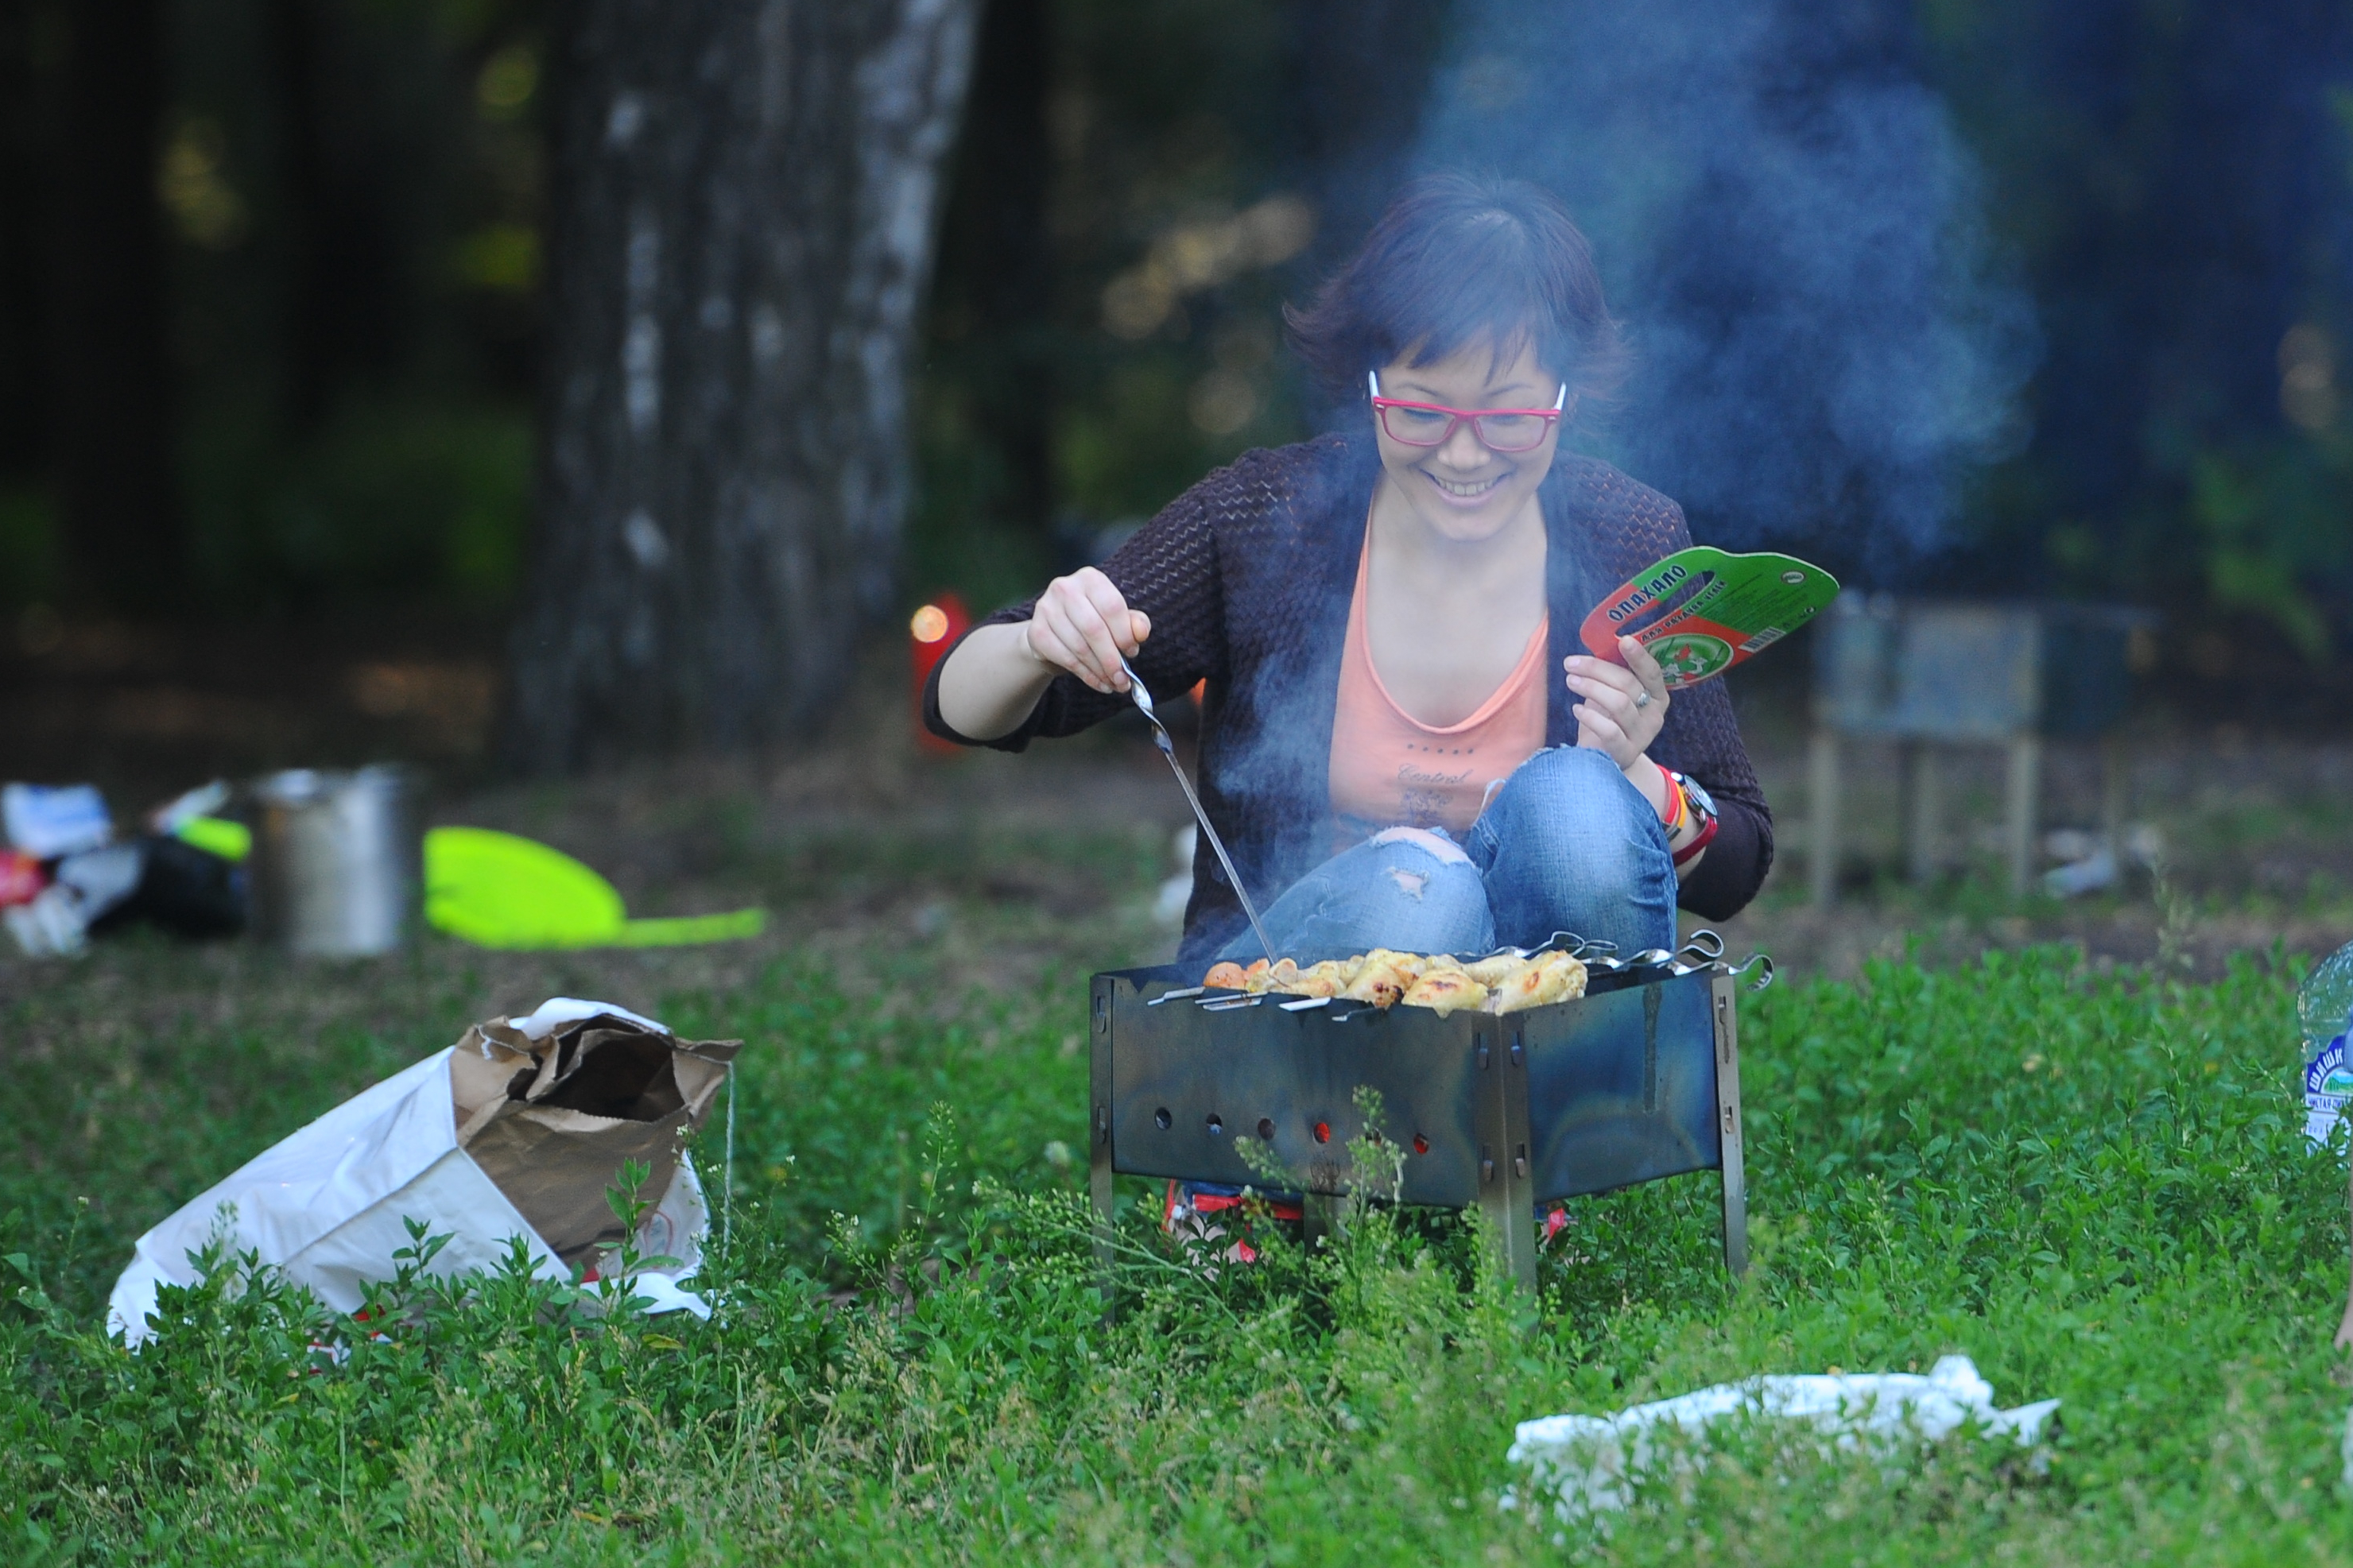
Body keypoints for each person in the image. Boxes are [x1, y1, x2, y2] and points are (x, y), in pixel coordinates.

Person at [927, 173, 1771, 970]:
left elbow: (1736, 866)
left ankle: (1589, 1116)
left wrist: (1637, 781)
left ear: (1565, 400)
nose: (1465, 451)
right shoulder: (1267, 518)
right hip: (1287, 1004)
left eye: (1509, 415)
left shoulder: (1628, 536)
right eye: (1419, 410)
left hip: (1539, 1019)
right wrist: (1040, 640)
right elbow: (960, 707)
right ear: (1366, 384)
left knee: (1579, 805)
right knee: (1422, 890)